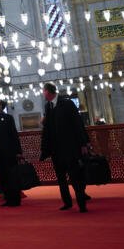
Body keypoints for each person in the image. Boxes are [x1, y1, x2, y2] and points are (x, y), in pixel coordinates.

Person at [40, 83, 91, 212]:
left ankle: (81, 204)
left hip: (70, 148)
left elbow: (77, 123)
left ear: (48, 92)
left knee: (75, 177)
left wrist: (83, 143)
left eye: (43, 91)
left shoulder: (67, 103)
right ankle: (67, 202)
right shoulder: (48, 106)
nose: (43, 94)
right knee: (61, 178)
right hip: (56, 150)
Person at [0, 99, 22, 207]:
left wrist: (18, 152)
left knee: (11, 176)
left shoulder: (7, 118)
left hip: (8, 152)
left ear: (0, 106)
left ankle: (15, 200)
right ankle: (7, 198)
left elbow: (14, 135)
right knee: (2, 177)